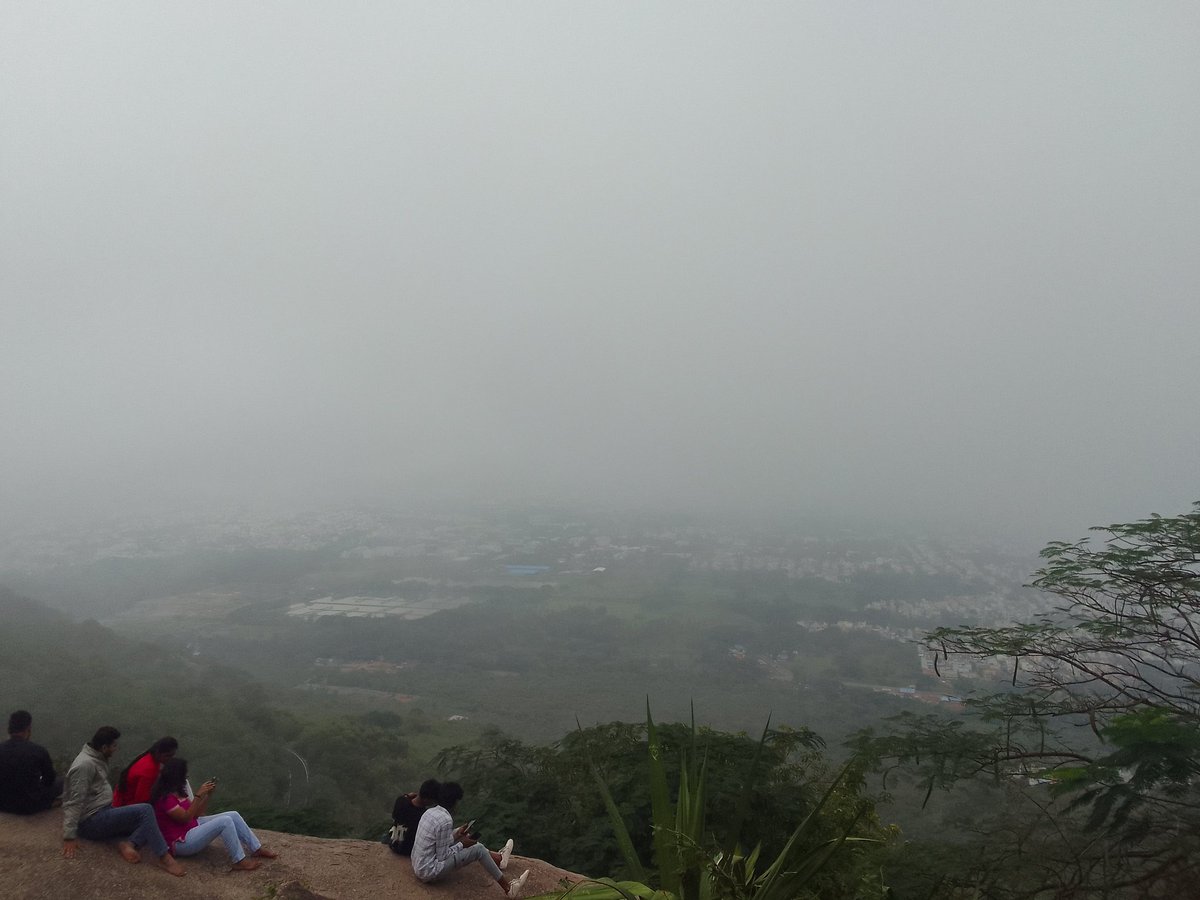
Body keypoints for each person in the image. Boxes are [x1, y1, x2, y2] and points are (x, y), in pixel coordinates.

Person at [61, 725, 185, 877]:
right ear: (104, 747)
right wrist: (69, 836)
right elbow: (74, 801)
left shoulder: (96, 758)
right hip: (91, 821)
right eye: (113, 746)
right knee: (146, 811)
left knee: (150, 821)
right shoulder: (85, 765)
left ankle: (129, 843)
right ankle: (164, 858)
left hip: (104, 811)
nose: (115, 749)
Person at [151, 757, 276, 871]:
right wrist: (198, 795)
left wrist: (208, 795)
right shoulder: (165, 799)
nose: (186, 777)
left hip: (191, 827)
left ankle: (256, 848)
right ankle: (239, 860)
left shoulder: (178, 792)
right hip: (181, 842)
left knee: (233, 815)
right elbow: (186, 818)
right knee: (225, 821)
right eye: (184, 775)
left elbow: (196, 814)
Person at [411, 781, 526, 898]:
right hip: (429, 871)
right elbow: (442, 857)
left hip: (419, 865)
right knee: (478, 849)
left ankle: (499, 860)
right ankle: (508, 889)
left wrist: (457, 833)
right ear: (454, 802)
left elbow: (439, 841)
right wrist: (462, 844)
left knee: (468, 841)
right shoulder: (445, 820)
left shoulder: (429, 812)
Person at [0, 710, 62, 814]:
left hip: (3, 804)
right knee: (62, 782)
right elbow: (49, 780)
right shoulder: (38, 751)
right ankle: (47, 804)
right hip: (29, 806)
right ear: (28, 729)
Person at [113, 736, 178, 807]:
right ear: (158, 752)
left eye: (172, 755)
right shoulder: (149, 770)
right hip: (126, 806)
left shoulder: (150, 758)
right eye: (168, 756)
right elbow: (141, 801)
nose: (171, 759)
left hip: (120, 801)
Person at [389, 778, 440, 856]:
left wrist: (407, 796)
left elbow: (403, 801)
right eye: (433, 801)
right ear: (426, 799)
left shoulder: (401, 801)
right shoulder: (424, 816)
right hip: (407, 850)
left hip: (393, 842)